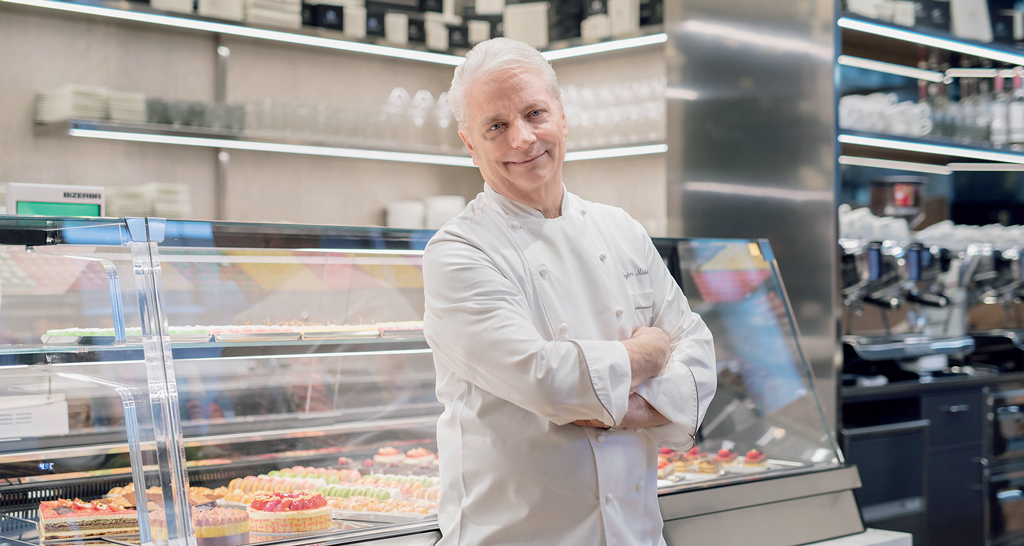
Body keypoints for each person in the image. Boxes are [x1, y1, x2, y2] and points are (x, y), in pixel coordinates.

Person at [422, 37, 718, 546]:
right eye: (496, 126)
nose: (522, 138)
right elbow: (547, 380)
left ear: (562, 117)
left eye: (534, 113)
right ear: (470, 145)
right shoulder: (459, 251)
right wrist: (649, 354)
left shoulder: (621, 230)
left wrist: (597, 400)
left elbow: (699, 357)